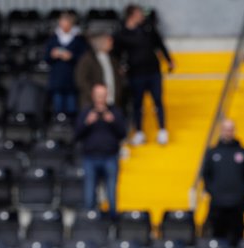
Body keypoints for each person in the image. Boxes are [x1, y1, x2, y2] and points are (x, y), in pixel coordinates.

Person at [114, 4, 174, 146]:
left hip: (153, 71)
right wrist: (120, 67)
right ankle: (139, 131)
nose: (142, 15)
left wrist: (169, 60)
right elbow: (117, 54)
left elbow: (159, 44)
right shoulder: (122, 33)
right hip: (136, 74)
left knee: (158, 101)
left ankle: (162, 130)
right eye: (139, 13)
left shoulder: (148, 28)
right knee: (137, 104)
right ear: (132, 15)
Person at [75, 83, 127, 219]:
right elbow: (76, 135)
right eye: (98, 95)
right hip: (90, 158)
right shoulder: (86, 112)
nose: (100, 98)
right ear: (93, 96)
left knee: (111, 193)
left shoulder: (115, 112)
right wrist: (87, 122)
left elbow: (123, 134)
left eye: (103, 95)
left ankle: (113, 222)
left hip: (110, 157)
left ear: (107, 96)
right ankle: (90, 222)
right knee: (89, 194)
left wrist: (113, 121)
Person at [201, 118, 244, 248]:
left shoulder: (243, 152)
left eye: (230, 129)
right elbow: (206, 175)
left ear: (234, 131)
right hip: (217, 204)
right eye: (225, 129)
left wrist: (241, 192)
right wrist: (214, 192)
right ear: (221, 131)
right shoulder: (212, 152)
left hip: (237, 204)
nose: (228, 132)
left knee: (237, 239)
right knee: (218, 238)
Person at [45, 12, 88, 117]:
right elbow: (46, 58)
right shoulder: (53, 39)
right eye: (61, 21)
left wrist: (71, 57)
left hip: (72, 80)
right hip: (57, 80)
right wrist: (52, 55)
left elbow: (84, 59)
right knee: (58, 109)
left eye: (66, 22)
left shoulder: (78, 40)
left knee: (71, 108)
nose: (63, 24)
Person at [75, 33, 125, 115]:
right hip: (92, 104)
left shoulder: (113, 59)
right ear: (102, 43)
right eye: (109, 41)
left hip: (112, 101)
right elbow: (81, 80)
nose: (112, 43)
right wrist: (95, 95)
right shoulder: (87, 59)